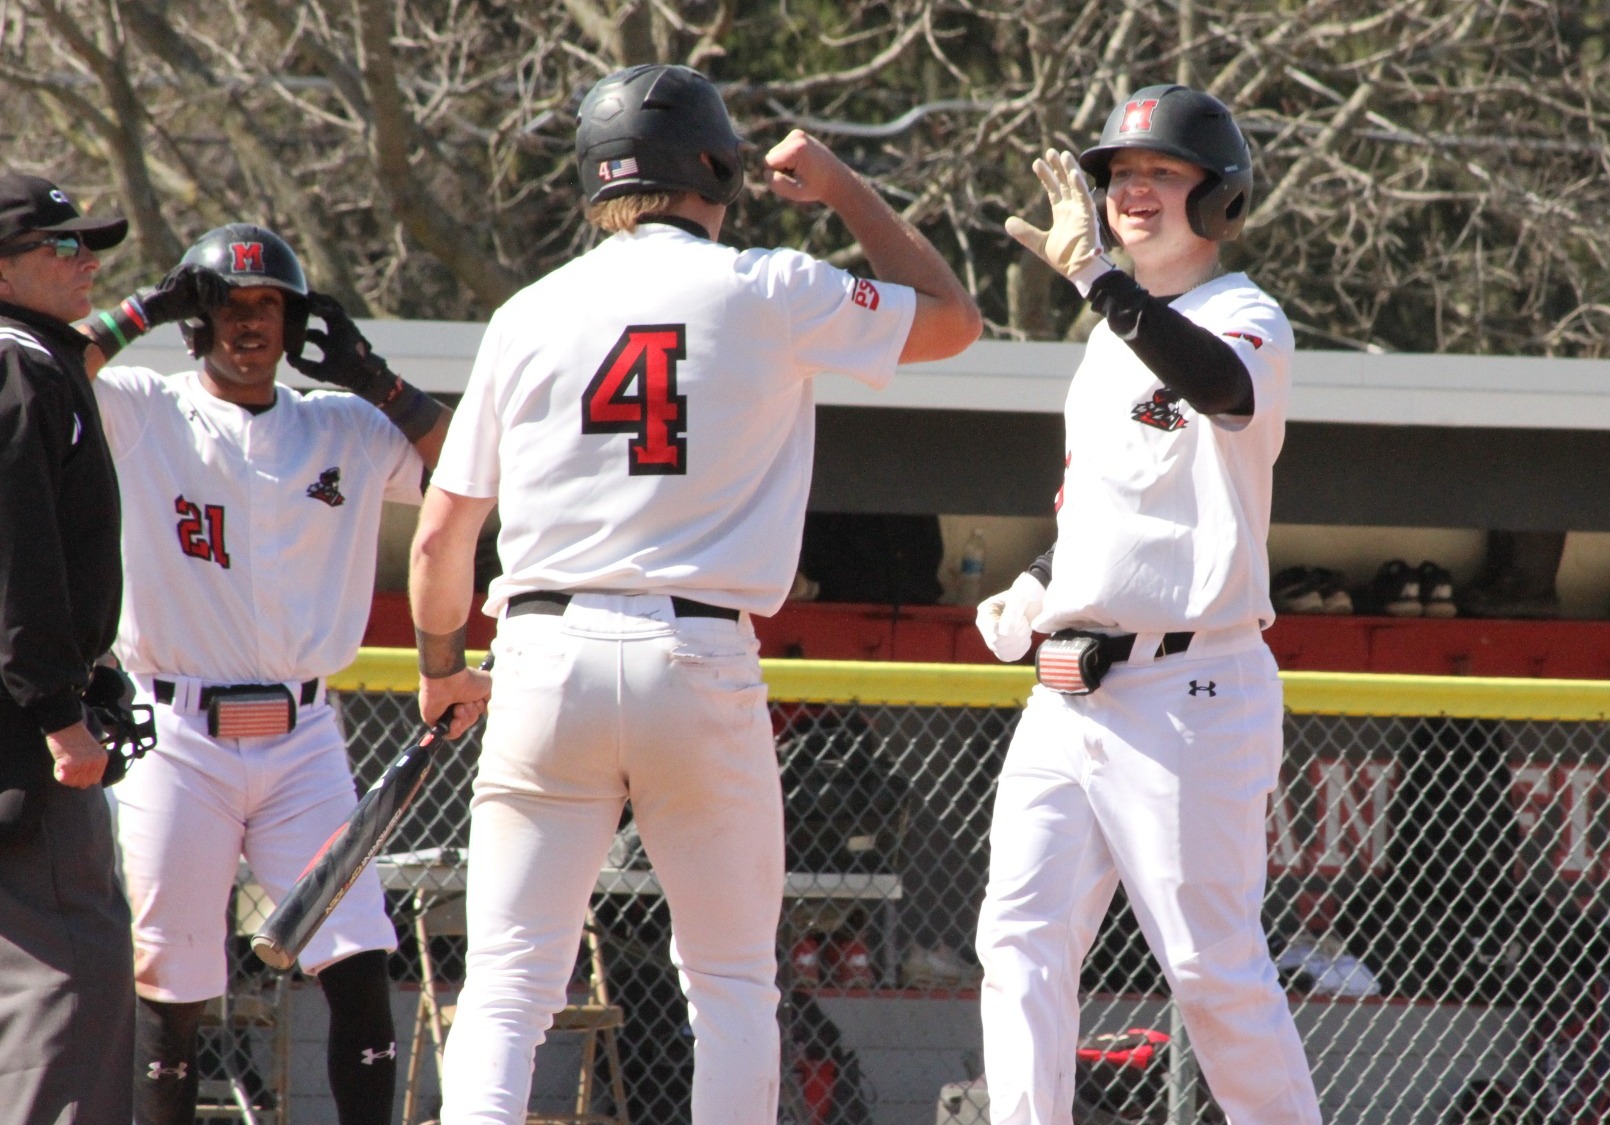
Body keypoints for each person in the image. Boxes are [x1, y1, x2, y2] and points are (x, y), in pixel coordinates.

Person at [408, 64, 978, 1124]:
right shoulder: (770, 285)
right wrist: (844, 187)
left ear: (593, 180)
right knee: (726, 984)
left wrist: (442, 669)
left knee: (508, 986)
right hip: (696, 656)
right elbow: (951, 319)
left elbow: (443, 534)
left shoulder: (528, 311)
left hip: (541, 657)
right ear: (713, 169)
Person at [973, 85, 1322, 1123]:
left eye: (1160, 173)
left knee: (1210, 970)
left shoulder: (1244, 316)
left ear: (1217, 200)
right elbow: (1111, 503)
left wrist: (1090, 276)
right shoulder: (1101, 340)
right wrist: (1039, 582)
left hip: (1190, 686)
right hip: (1072, 681)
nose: (1130, 190)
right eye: (1119, 174)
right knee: (1018, 939)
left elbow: (1213, 383)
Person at [79, 222, 453, 1125]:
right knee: (171, 985)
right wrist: (147, 309)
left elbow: (475, 468)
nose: (251, 325)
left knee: (361, 962)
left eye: (270, 307)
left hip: (306, 740)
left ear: (295, 322)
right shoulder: (142, 405)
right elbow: (39, 368)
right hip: (177, 737)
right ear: (196, 324)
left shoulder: (345, 424)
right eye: (228, 307)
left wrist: (376, 377)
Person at [0, 170, 136, 1124]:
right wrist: (58, 709)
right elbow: (17, 552)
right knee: (71, 980)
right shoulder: (21, 366)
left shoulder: (39, 360)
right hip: (21, 733)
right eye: (63, 246)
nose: (86, 259)